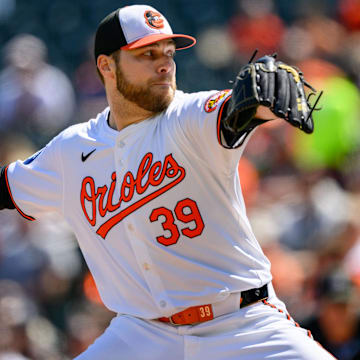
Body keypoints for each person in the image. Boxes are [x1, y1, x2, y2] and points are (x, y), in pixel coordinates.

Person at [0, 4, 333, 360]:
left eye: (169, 54)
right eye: (147, 54)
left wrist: (260, 103)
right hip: (142, 334)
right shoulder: (71, 151)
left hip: (242, 324)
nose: (164, 64)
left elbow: (234, 111)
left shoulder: (188, 117)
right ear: (106, 66)